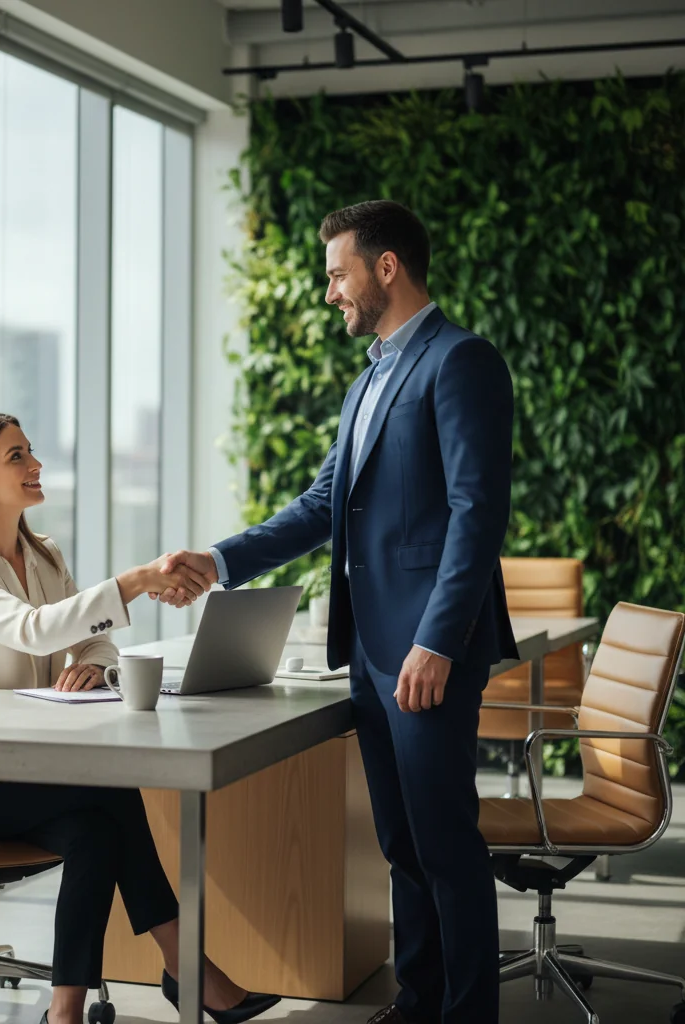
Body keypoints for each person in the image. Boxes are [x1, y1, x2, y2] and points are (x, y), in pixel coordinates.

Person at [156, 201, 518, 1024]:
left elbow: (475, 515)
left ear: (385, 267)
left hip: (427, 650)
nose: (331, 294)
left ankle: (469, 1016)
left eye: (336, 273)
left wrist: (438, 639)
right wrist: (219, 561)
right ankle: (419, 1001)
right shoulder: (368, 381)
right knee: (400, 847)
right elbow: (324, 503)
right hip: (370, 651)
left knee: (446, 847)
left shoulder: (461, 361)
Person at [0, 413, 279, 1024]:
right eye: (16, 456)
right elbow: (31, 629)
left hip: (26, 764)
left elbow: (92, 641)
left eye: (30, 452)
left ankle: (66, 1012)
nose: (34, 465)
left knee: (95, 833)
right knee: (111, 790)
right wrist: (132, 583)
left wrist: (96, 668)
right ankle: (186, 967)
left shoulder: (43, 555)